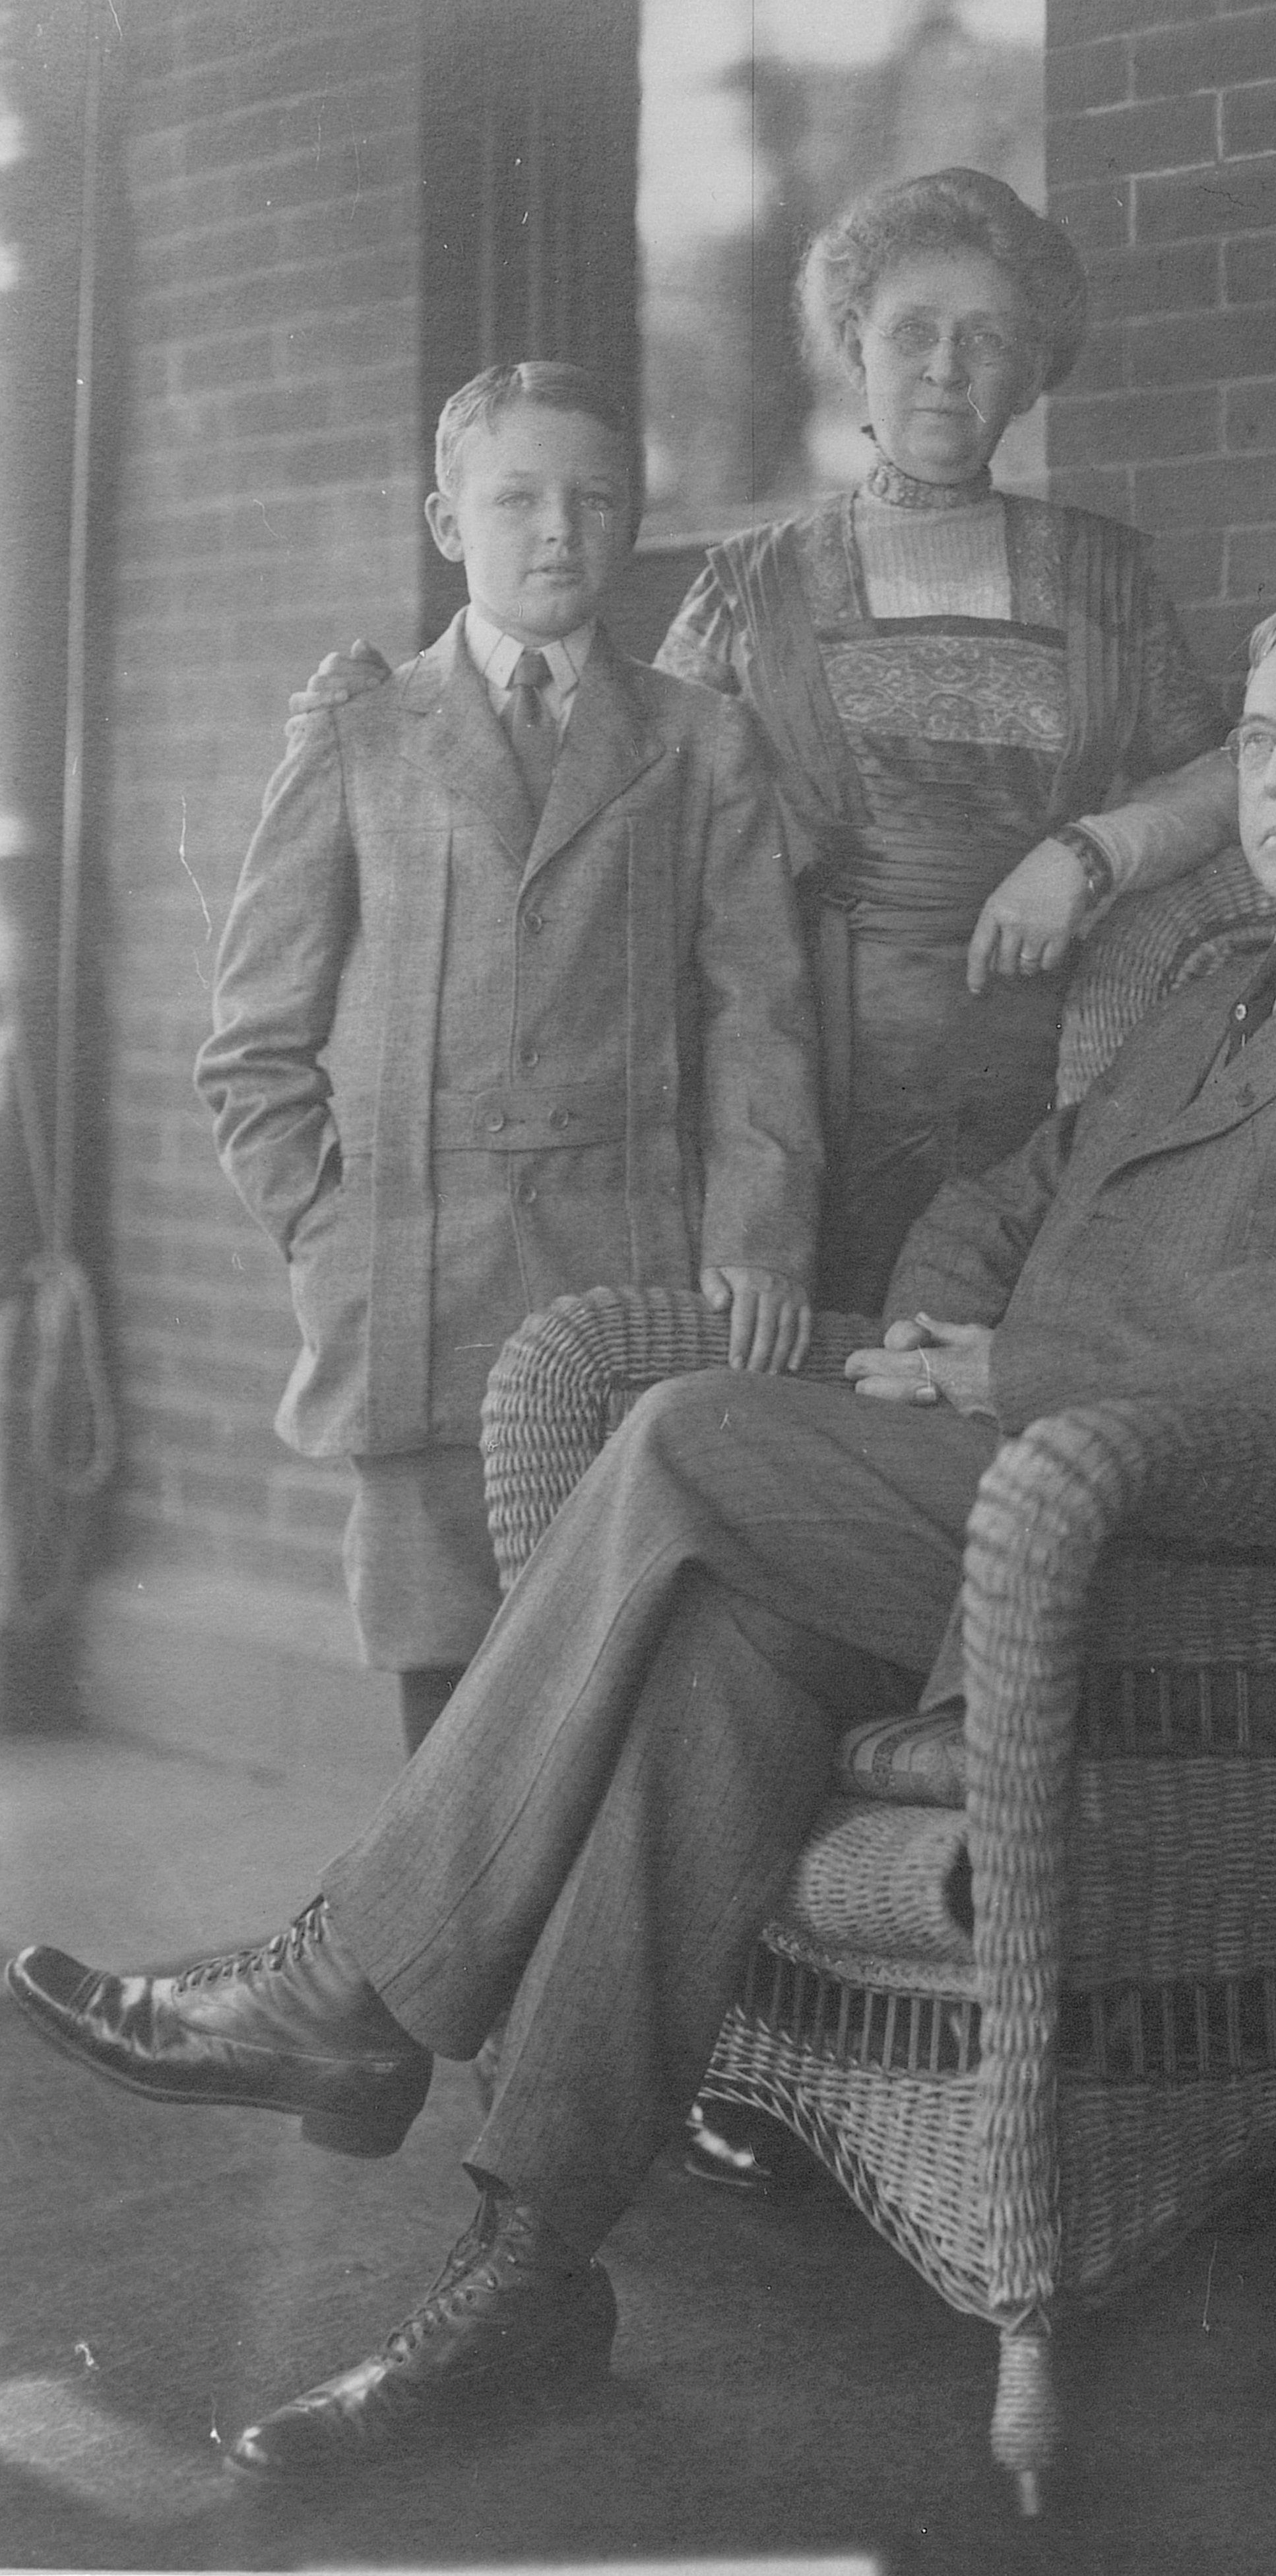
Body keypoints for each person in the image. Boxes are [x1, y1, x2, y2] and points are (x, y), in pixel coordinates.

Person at [9, 598, 1276, 2477]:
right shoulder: (1210, 978)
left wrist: (1021, 1369)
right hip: (998, 1506)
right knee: (713, 1656)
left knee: (682, 1437)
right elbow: (1013, 1192)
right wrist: (932, 1339)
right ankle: (527, 2269)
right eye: (1255, 739)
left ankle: (348, 1986)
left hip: (1196, 1553)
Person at [296, 169, 1238, 1317]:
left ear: (1033, 369)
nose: (947, 368)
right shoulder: (756, 581)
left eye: (988, 338)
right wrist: (392, 702)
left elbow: (1234, 766)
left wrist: (1090, 851)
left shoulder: (1105, 573)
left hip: (1066, 1057)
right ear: (854, 344)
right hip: (813, 1083)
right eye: (913, 332)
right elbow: (607, 769)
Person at [198, 361, 823, 1761]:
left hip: (629, 1278)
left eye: (596, 501)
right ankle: (445, 1980)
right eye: (518, 498)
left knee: (624, 1671)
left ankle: (581, 1984)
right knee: (449, 1696)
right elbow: (251, 1048)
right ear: (445, 519)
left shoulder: (699, 742)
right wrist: (330, 1236)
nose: (559, 532)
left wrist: (760, 1238)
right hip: (420, 1296)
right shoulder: (363, 740)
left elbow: (760, 1016)